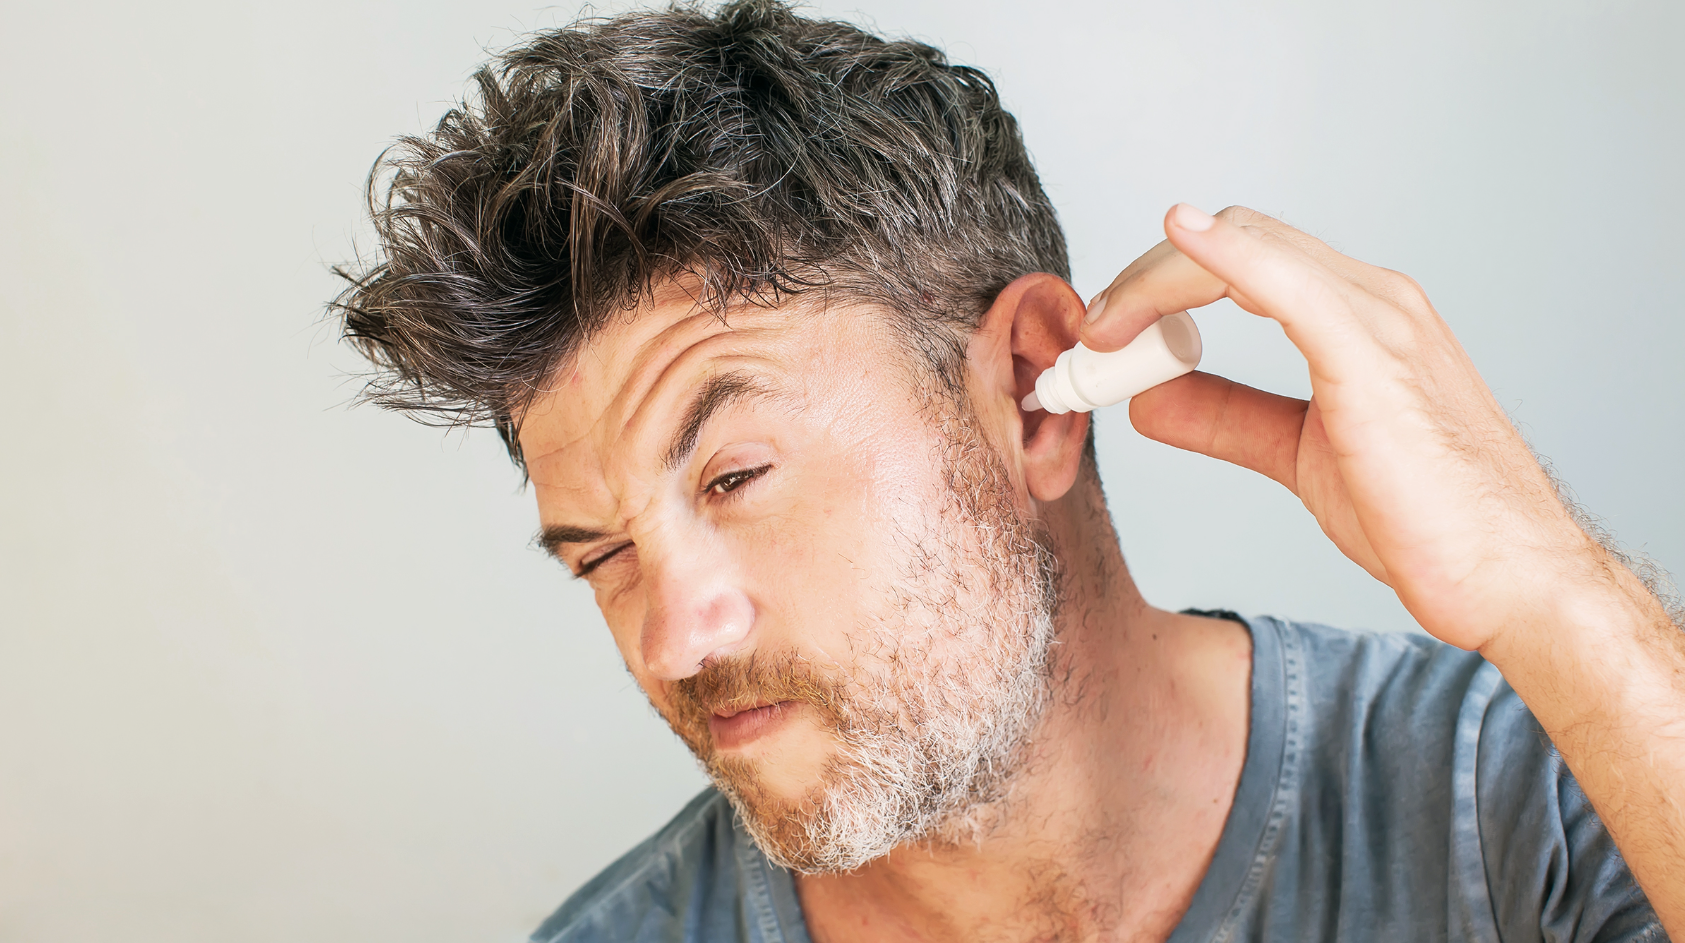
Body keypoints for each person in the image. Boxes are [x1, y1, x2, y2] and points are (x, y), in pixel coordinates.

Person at [331, 2, 1683, 940]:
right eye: (602, 554)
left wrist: (1551, 592)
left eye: (736, 477)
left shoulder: (1537, 800)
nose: (672, 638)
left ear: (1032, 392)